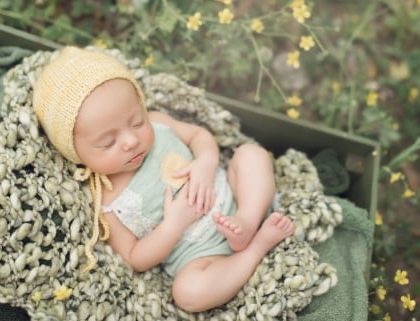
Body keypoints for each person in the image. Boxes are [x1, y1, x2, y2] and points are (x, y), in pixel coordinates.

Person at [33, 46, 295, 312]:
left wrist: (205, 163)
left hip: (232, 197)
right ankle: (255, 249)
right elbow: (135, 257)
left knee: (251, 155)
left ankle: (249, 221)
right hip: (200, 255)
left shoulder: (159, 123)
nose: (131, 141)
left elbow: (199, 136)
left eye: (136, 122)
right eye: (108, 142)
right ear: (76, 153)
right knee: (187, 293)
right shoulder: (106, 200)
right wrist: (174, 224)